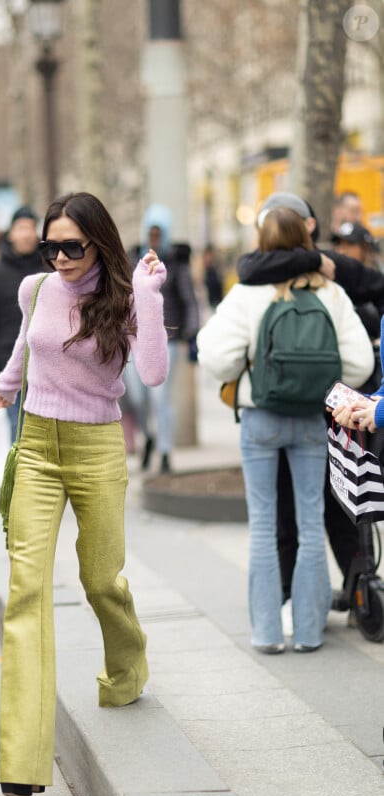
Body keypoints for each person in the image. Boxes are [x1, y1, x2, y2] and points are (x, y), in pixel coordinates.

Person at [0, 191, 168, 796]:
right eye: (51, 246)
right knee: (26, 587)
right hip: (36, 445)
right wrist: (8, 386)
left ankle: (126, 667)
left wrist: (147, 297)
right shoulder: (34, 289)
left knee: (100, 580)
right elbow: (26, 342)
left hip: (96, 447)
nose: (60, 257)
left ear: (98, 242)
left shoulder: (122, 297)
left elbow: (154, 373)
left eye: (72, 246)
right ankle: (21, 760)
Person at [197, 207, 373, 654]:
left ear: (263, 243)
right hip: (314, 420)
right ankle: (310, 633)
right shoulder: (331, 293)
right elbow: (359, 364)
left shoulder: (247, 294)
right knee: (312, 523)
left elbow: (216, 358)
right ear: (305, 240)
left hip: (261, 420)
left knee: (262, 524)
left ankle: (267, 634)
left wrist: (250, 366)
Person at [236, 192, 384, 608]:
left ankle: (303, 599)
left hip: (304, 409)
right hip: (333, 405)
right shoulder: (288, 270)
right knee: (330, 502)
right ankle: (349, 593)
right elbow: (249, 265)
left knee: (304, 508)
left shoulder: (332, 272)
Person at [124, 206, 199, 473]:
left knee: (160, 397)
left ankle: (165, 452)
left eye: (159, 232)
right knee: (137, 397)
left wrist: (190, 335)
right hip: (135, 338)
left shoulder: (176, 263)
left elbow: (189, 300)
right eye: (151, 232)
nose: (154, 237)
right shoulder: (133, 258)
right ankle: (149, 437)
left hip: (167, 338)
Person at [0, 206, 43, 444]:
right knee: (19, 428)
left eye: (30, 228)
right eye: (21, 228)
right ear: (10, 234)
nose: (26, 234)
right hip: (9, 365)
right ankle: (20, 480)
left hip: (46, 366)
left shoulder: (50, 269)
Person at [203, 242, 224, 308]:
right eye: (207, 255)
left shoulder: (215, 271)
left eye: (210, 255)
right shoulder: (202, 271)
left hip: (215, 304)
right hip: (205, 306)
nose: (209, 258)